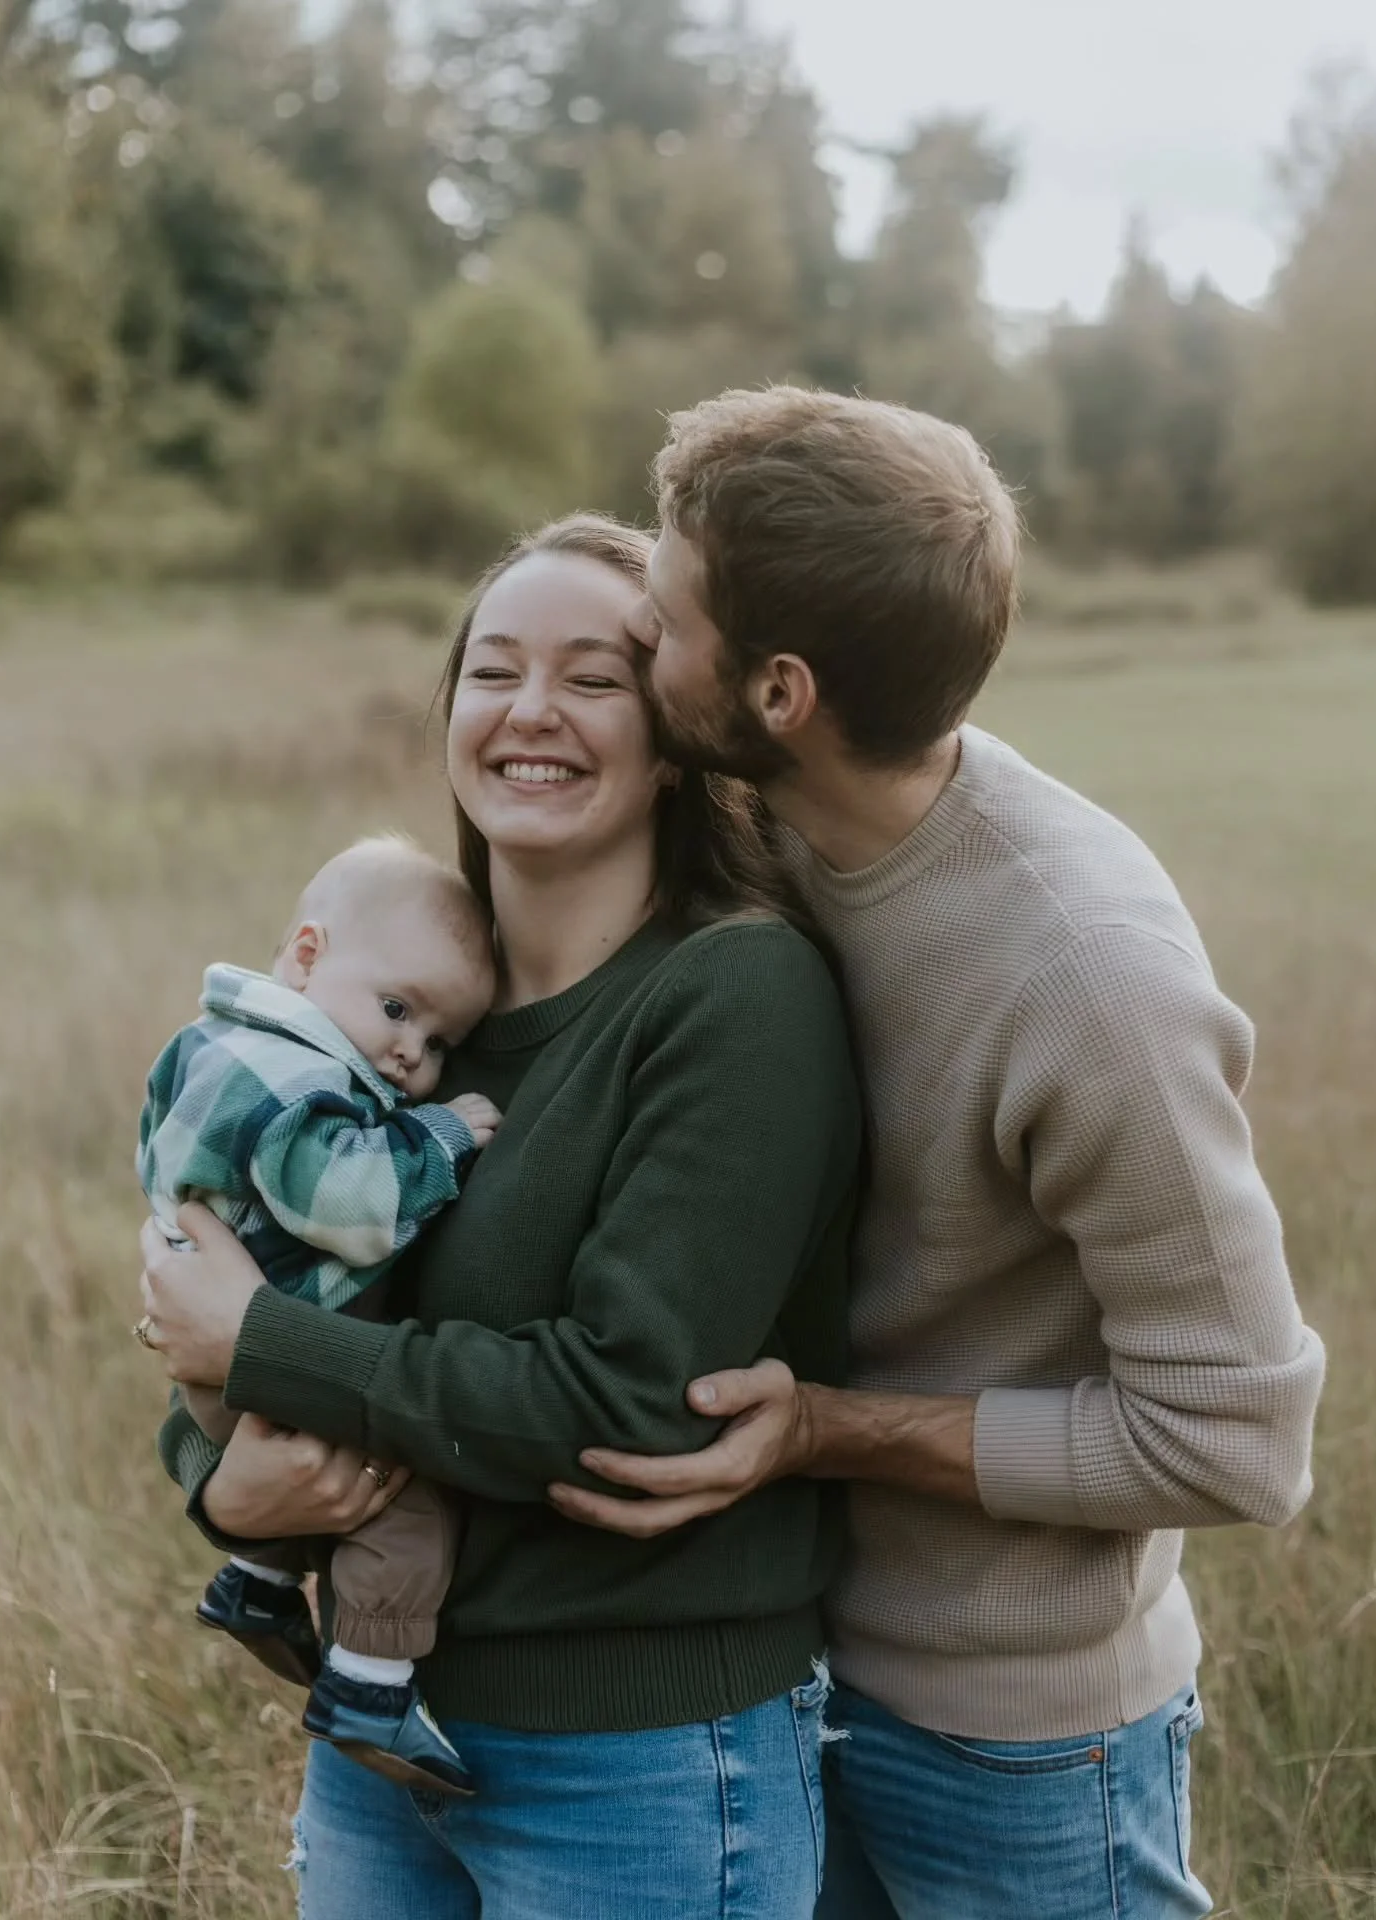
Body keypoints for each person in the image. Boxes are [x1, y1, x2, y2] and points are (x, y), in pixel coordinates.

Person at [546, 389, 1328, 1920]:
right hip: (780, 1670)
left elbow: (1241, 1442)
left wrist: (827, 1430)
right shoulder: (763, 831)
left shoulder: (1088, 979)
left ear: (779, 691)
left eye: (667, 609)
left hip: (1026, 1745)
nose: (640, 626)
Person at [138, 514, 861, 1920]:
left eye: (594, 678)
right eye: (495, 670)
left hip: (642, 1763)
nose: (532, 711)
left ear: (674, 735)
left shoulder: (735, 996)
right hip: (376, 1749)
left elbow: (634, 1399)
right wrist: (222, 1490)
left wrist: (263, 1347)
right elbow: (217, 1302)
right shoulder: (405, 1018)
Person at [137, 834, 500, 1796]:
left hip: (216, 1351)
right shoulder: (296, 1084)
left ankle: (255, 1588)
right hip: (262, 1348)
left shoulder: (212, 1044)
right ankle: (369, 1689)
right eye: (396, 1009)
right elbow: (354, 1205)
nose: (408, 1051)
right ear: (305, 954)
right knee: (407, 1498)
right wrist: (442, 1132)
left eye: (436, 1045)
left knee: (310, 1475)